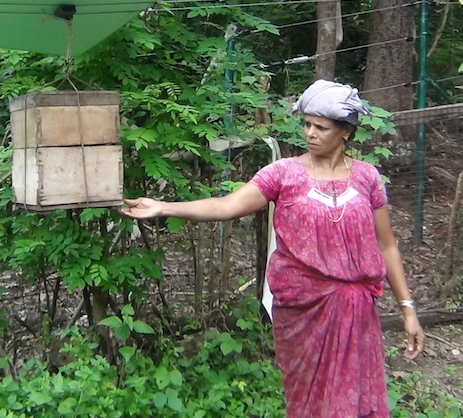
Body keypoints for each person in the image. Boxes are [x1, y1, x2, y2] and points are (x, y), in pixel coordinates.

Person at [120, 79, 425, 418]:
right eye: (307, 124)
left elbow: (387, 246)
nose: (310, 133)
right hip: (302, 308)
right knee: (307, 398)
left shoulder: (368, 178)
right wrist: (164, 207)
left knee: (351, 399)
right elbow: (226, 206)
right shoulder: (284, 173)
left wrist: (407, 309)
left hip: (354, 310)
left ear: (346, 133)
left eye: (321, 127)